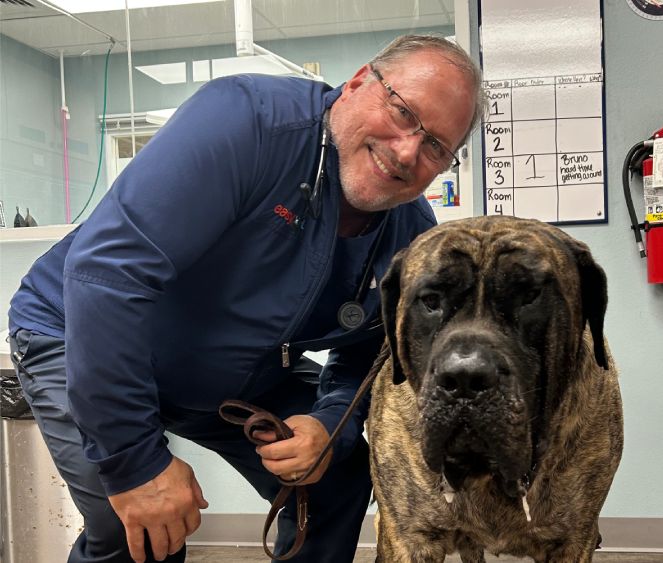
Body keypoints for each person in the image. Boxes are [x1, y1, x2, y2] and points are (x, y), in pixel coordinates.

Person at [7, 34, 485, 563]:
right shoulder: (246, 123)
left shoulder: (408, 238)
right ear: (358, 82)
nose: (407, 152)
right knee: (136, 530)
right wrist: (134, 462)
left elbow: (366, 357)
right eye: (402, 112)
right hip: (77, 327)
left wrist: (329, 426)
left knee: (338, 479)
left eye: (438, 147)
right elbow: (107, 276)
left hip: (230, 370)